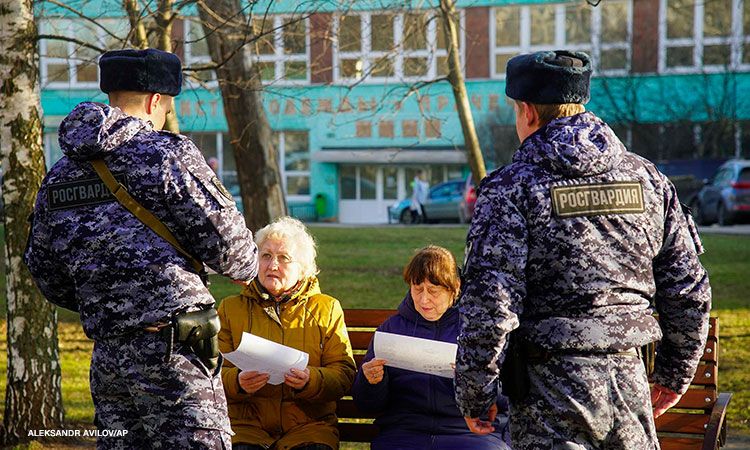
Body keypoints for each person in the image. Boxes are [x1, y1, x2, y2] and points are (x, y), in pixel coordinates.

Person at [454, 49, 712, 449]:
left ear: (527, 111)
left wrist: (476, 393)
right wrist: (675, 373)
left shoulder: (511, 189)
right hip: (630, 383)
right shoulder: (648, 181)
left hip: (549, 396)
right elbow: (689, 289)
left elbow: (491, 304)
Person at [23, 48, 258, 449]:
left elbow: (46, 273)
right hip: (174, 353)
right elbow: (235, 254)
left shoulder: (60, 174)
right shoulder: (170, 155)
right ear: (156, 100)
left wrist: (110, 302)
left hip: (108, 358)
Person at [218, 216, 356, 450]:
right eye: (266, 256)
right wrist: (237, 382)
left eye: (284, 258)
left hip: (308, 428)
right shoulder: (231, 308)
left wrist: (311, 380)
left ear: (303, 268)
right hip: (246, 429)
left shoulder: (327, 308)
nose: (272, 265)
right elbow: (210, 372)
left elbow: (343, 374)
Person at [352, 246, 510, 450]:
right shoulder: (392, 329)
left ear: (454, 289)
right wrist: (370, 382)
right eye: (417, 289)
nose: (424, 299)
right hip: (405, 432)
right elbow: (367, 405)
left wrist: (476, 381)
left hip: (469, 433)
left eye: (433, 291)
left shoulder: (480, 330)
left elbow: (507, 400)